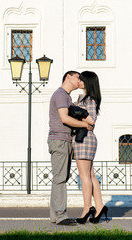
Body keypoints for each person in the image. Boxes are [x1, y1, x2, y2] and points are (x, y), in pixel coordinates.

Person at [47, 71, 94, 226]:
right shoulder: (61, 95)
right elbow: (64, 118)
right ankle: (60, 216)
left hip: (63, 140)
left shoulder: (66, 97)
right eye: (77, 77)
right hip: (59, 140)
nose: (79, 80)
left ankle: (56, 216)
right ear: (68, 77)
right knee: (60, 178)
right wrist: (85, 125)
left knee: (60, 178)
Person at [72, 71, 108, 224]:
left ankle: (87, 208)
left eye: (81, 79)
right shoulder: (84, 98)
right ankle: (99, 206)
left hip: (84, 139)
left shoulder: (90, 99)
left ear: (87, 82)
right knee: (90, 175)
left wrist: (77, 111)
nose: (78, 81)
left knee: (84, 175)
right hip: (83, 138)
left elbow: (91, 120)